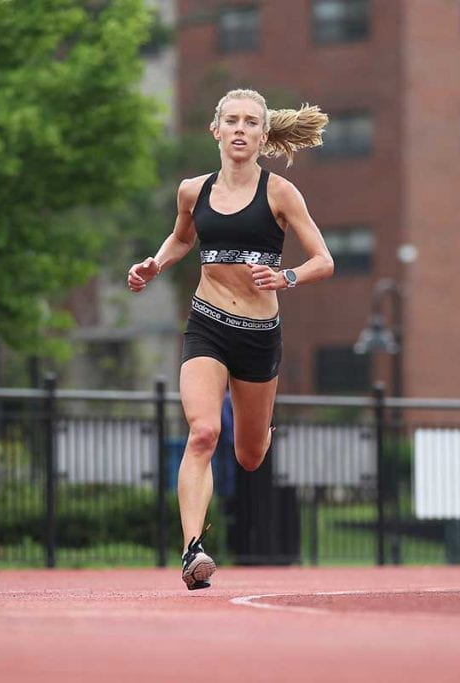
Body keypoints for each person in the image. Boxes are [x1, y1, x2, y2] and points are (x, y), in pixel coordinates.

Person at [127, 88, 334, 590]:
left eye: (251, 122)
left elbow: (324, 261)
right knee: (202, 432)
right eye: (232, 120)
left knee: (249, 455)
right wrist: (156, 264)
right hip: (208, 324)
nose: (241, 129)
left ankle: (262, 428)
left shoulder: (281, 193)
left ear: (264, 135)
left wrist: (286, 278)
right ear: (216, 129)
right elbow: (181, 237)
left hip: (260, 335)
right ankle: (192, 549)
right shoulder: (193, 191)